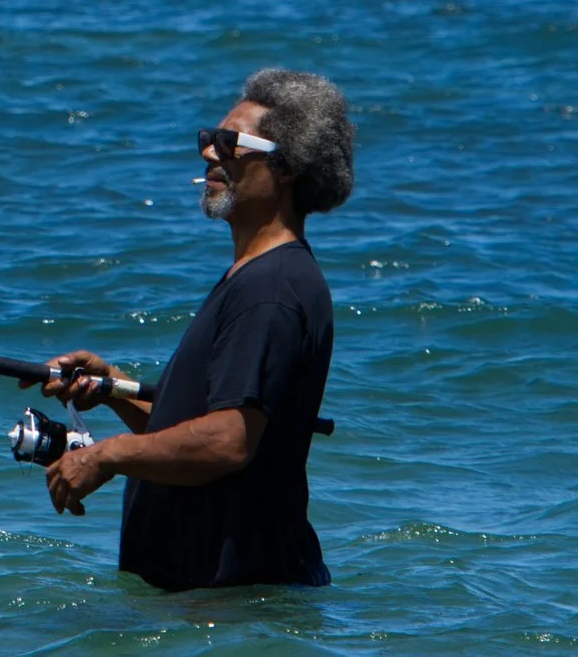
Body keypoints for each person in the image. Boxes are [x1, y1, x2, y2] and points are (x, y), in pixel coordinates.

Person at [28, 68, 355, 590]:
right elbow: (199, 425)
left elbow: (227, 442)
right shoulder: (258, 277)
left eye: (230, 143)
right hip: (210, 602)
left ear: (288, 166)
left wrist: (106, 455)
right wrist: (112, 388)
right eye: (209, 139)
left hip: (233, 603)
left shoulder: (270, 291)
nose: (210, 154)